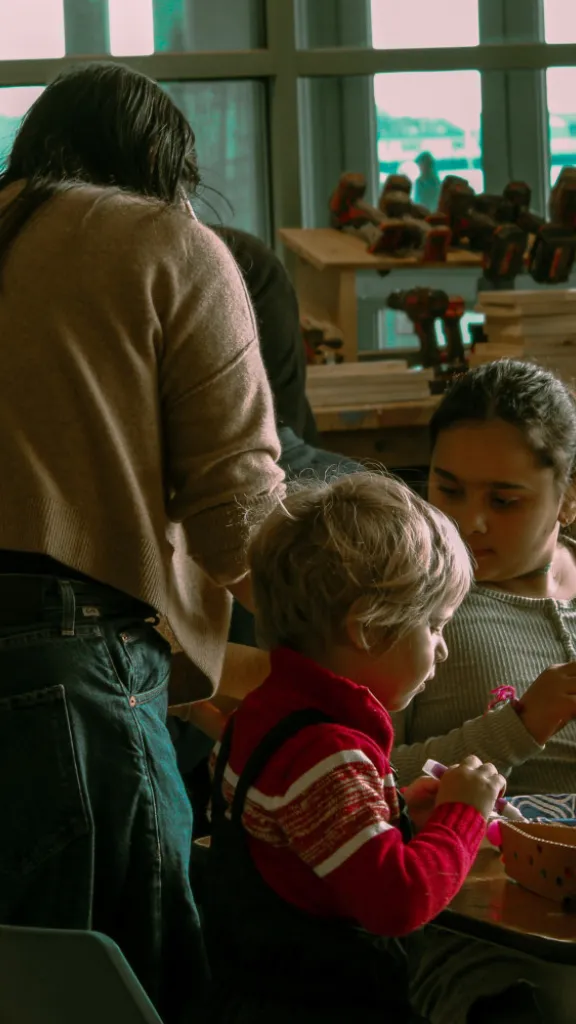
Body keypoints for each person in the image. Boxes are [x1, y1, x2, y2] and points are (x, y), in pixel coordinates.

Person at [0, 61, 284, 1023]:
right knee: (126, 992)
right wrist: (350, 625)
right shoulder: (162, 239)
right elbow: (237, 514)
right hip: (70, 676)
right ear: (160, 168)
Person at [201, 471, 507, 1023]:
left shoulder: (266, 713)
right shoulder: (329, 755)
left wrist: (400, 814)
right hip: (317, 1005)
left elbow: (304, 845)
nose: (441, 650)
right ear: (367, 628)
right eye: (433, 626)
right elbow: (399, 902)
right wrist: (464, 815)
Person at [391, 359, 576, 1024]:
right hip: (484, 940)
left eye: (504, 500)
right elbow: (355, 779)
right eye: (448, 488)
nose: (468, 523)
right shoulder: (399, 608)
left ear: (569, 497)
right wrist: (521, 726)